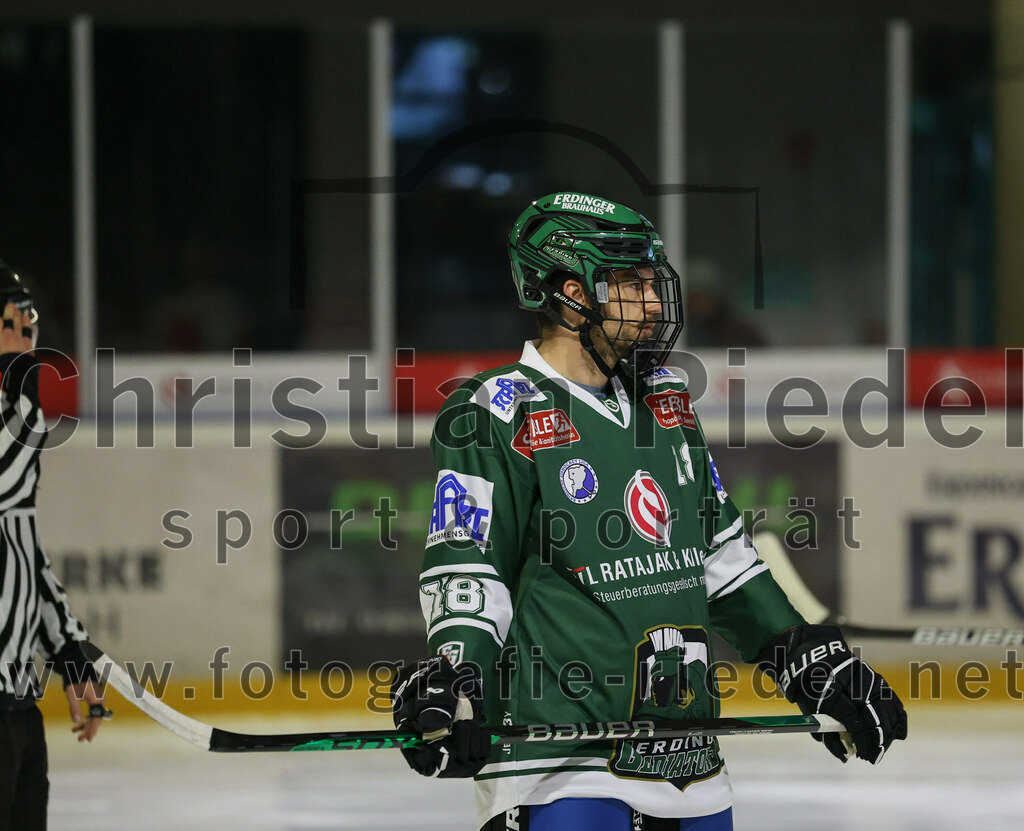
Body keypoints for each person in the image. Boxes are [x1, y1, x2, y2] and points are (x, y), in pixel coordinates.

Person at [390, 194, 907, 831]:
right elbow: (468, 565)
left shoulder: (664, 400)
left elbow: (720, 560)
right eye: (631, 284)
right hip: (560, 771)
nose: (656, 304)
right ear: (572, 292)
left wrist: (808, 660)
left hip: (694, 770)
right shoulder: (495, 409)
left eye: (654, 283)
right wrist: (457, 674)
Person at [0, 259, 106, 831]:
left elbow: (26, 553)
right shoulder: (18, 426)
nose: (27, 342)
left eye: (31, 328)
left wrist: (71, 656)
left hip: (16, 705)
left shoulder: (18, 423)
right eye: (14, 325)